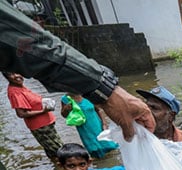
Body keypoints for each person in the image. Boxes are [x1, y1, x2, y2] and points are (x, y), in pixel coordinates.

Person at [0, 2, 155, 140]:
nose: (38, 22)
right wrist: (104, 89)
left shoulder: (87, 97)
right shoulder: (67, 99)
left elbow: (22, 42)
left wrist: (103, 94)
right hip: (84, 132)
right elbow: (22, 41)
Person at [3, 71, 63, 159]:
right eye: (12, 74)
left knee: (53, 150)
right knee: (59, 150)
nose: (16, 76)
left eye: (17, 72)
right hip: (40, 127)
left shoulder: (20, 86)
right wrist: (43, 111)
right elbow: (21, 113)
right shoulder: (14, 92)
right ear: (7, 78)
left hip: (45, 124)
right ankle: (64, 168)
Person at [60, 94, 119, 158]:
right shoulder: (65, 99)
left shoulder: (87, 93)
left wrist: (104, 123)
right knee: (94, 150)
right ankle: (100, 163)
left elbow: (98, 110)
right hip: (84, 130)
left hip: (97, 125)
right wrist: (66, 109)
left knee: (109, 145)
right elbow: (64, 115)